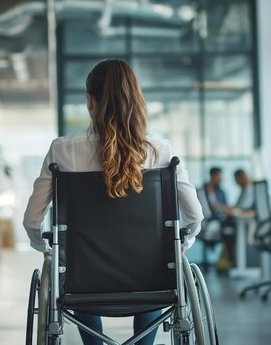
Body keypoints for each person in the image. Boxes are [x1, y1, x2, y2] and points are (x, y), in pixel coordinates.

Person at [23, 59, 203, 345]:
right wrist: (184, 243)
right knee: (160, 257)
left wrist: (44, 249)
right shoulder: (161, 151)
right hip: (151, 280)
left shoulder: (62, 151)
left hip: (83, 283)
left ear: (89, 101)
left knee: (69, 266)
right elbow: (194, 217)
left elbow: (32, 219)